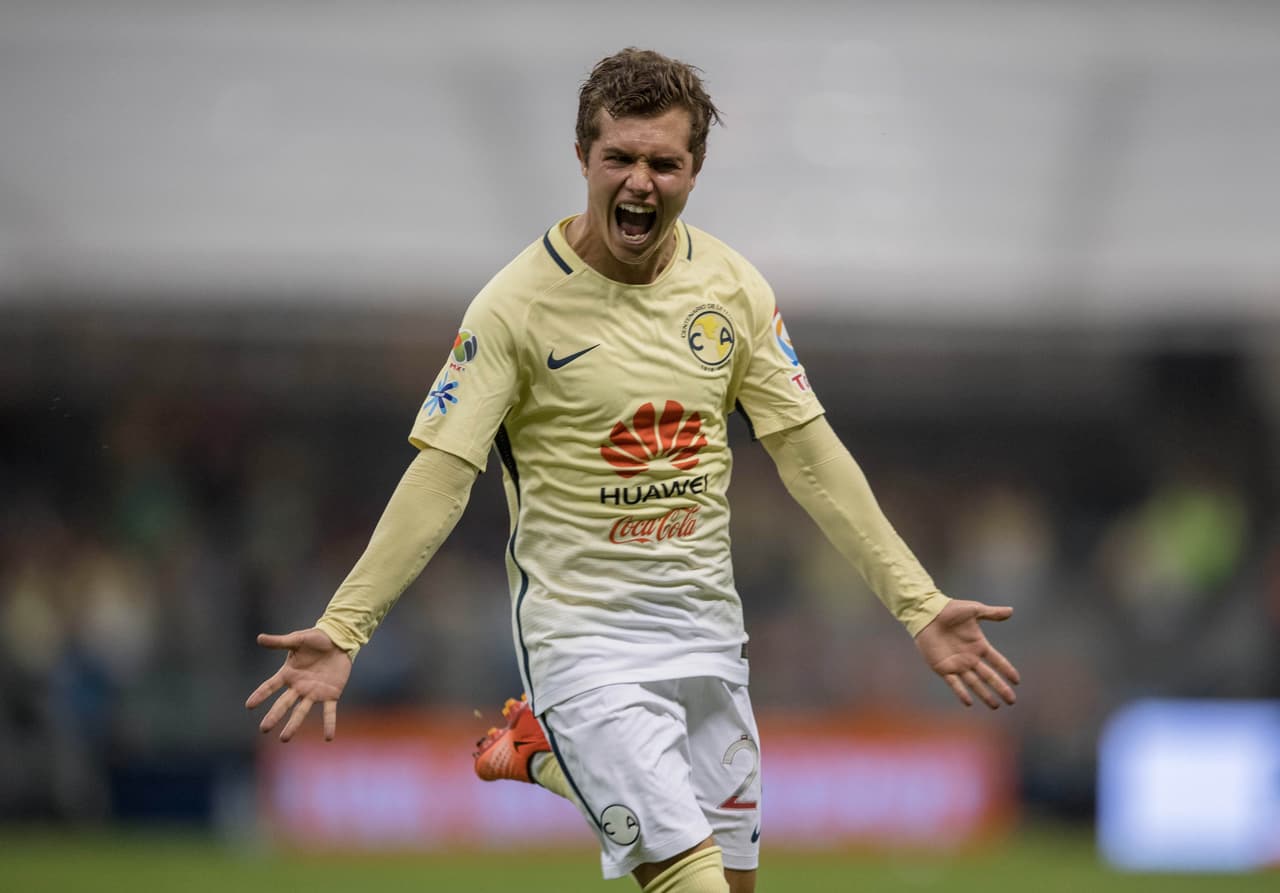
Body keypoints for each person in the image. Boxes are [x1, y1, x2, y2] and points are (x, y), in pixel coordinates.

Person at [246, 48, 1020, 893]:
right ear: (583, 159)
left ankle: (548, 756)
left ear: (695, 170)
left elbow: (810, 456)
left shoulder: (734, 290)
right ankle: (567, 741)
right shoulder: (515, 306)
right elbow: (442, 474)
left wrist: (920, 603)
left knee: (732, 884)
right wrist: (348, 625)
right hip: (585, 645)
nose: (640, 182)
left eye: (664, 162)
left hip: (708, 638)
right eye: (620, 158)